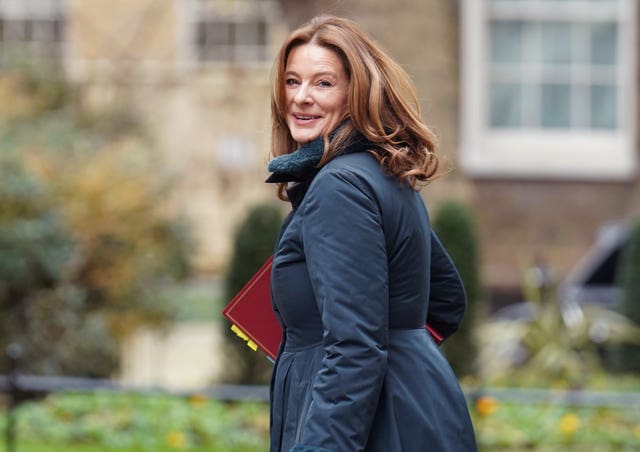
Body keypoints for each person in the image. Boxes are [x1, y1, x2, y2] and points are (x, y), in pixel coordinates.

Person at [265, 15, 476, 452]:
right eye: (292, 81)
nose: (301, 98)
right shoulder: (384, 176)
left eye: (323, 83)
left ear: (356, 93)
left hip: (371, 429)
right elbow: (446, 302)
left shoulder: (339, 188)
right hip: (416, 413)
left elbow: (355, 348)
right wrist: (402, 358)